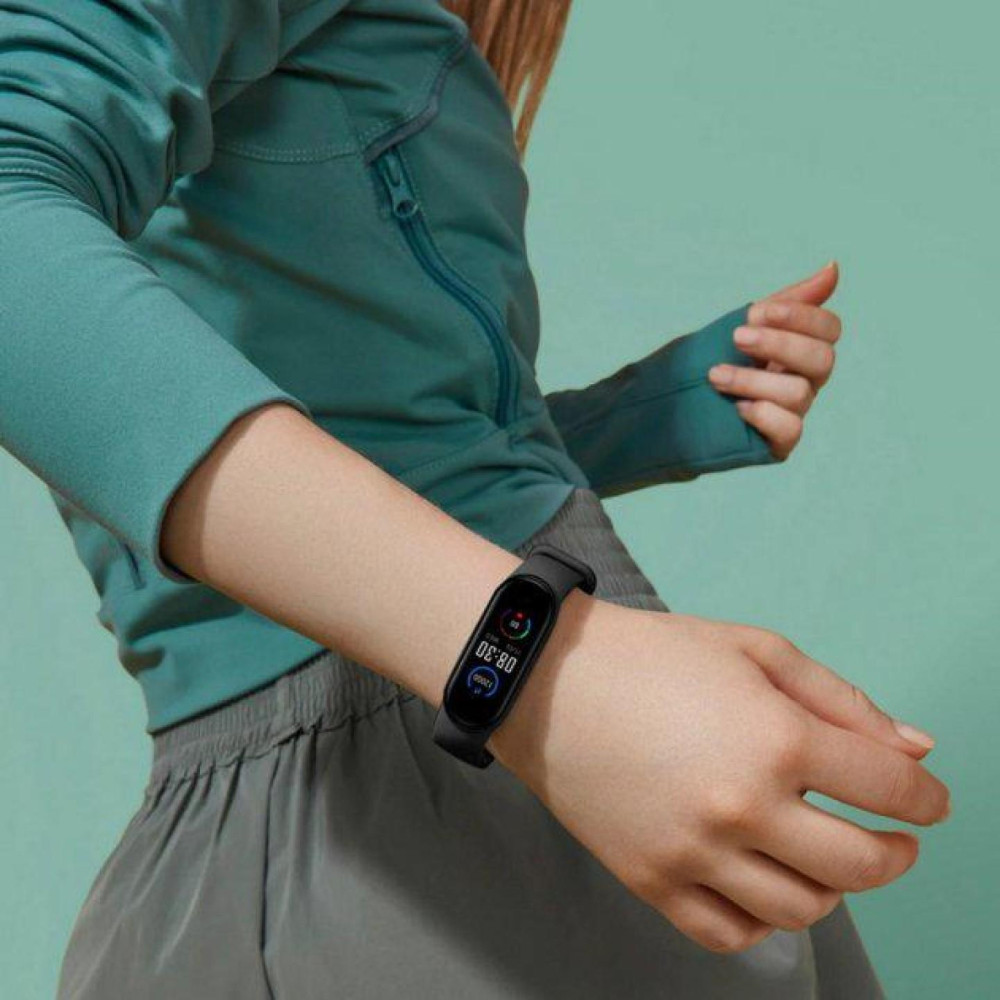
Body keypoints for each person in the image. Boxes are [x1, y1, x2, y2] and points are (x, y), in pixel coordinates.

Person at [0, 0, 950, 996]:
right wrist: (536, 668)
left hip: (441, 786)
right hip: (450, 789)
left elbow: (410, 432)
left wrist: (659, 407)